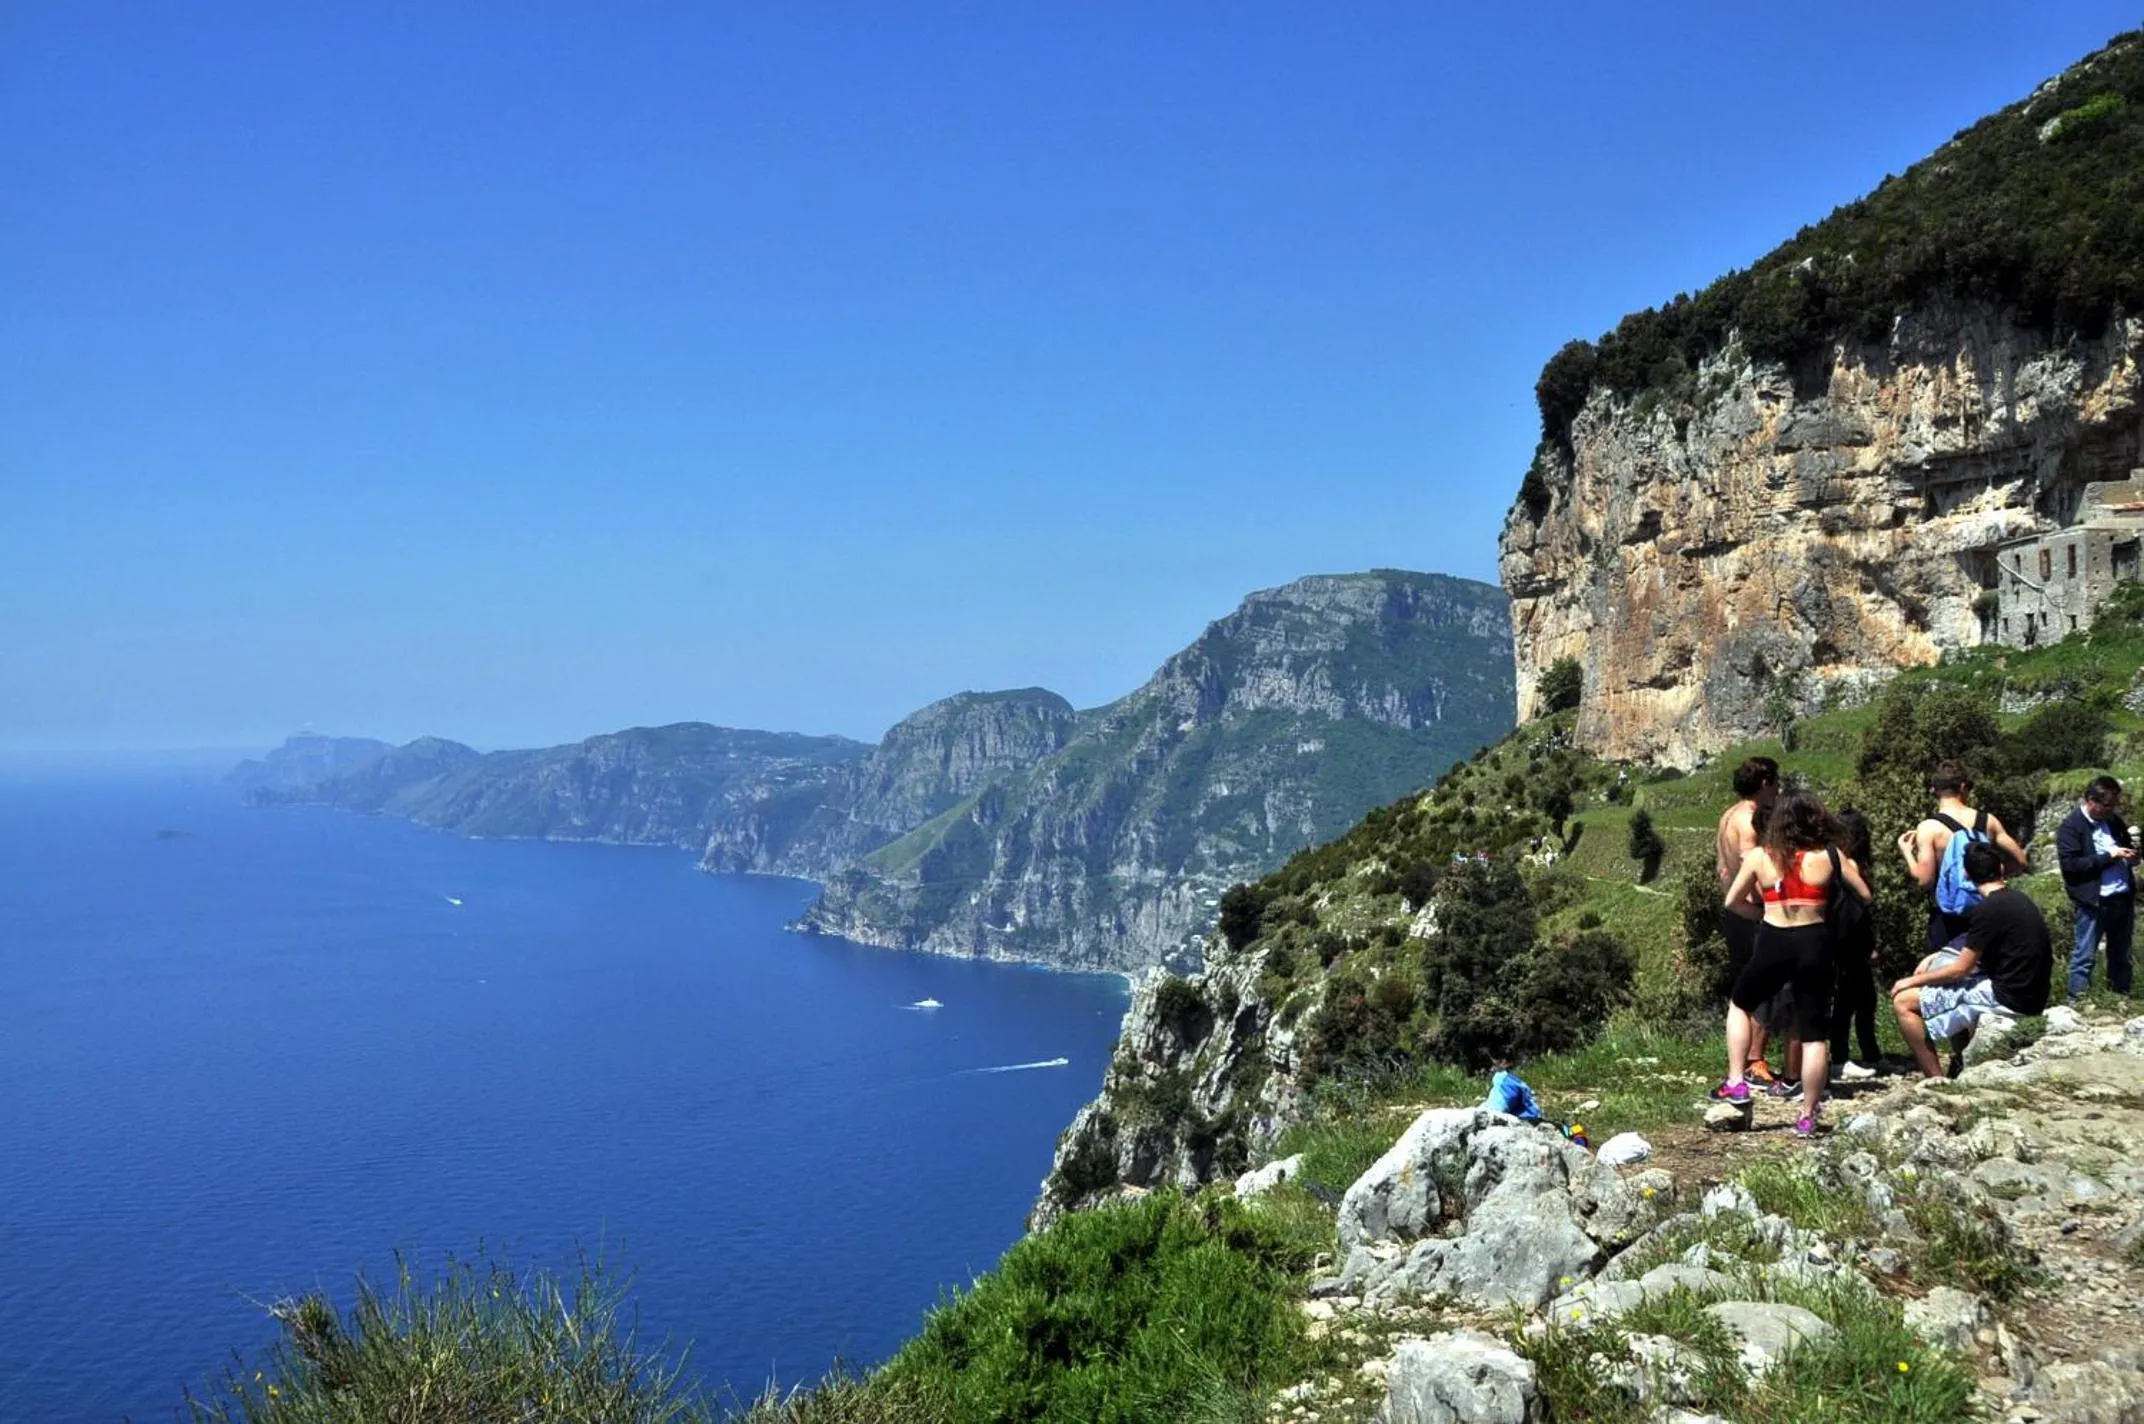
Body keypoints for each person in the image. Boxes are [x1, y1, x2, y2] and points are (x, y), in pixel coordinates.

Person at [1717, 790, 1873, 1136]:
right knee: (1813, 1034)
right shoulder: (1831, 856)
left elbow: (1732, 901)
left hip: (1774, 938)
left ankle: (1737, 1080)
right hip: (1815, 942)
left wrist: (1762, 912)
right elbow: (1864, 894)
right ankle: (1806, 1116)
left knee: (1741, 1004)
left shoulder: (1760, 856)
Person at [1890, 841, 2053, 1078]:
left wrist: (1911, 981)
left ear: (1966, 874)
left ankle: (1935, 1080)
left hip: (2010, 998)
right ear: (2000, 867)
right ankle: (1963, 1061)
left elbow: (1960, 970)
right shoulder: (2019, 900)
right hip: (2032, 992)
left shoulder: (1988, 910)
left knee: (1904, 1002)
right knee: (1954, 990)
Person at [1897, 760, 2028, 952]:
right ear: (1963, 786)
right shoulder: (1987, 821)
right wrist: (1994, 875)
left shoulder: (1929, 828)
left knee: (1946, 972)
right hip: (1986, 911)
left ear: (1934, 790)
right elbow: (2021, 860)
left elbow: (1924, 880)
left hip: (1948, 916)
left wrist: (1907, 853)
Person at [1716, 757, 1782, 1083]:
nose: (1779, 788)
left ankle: (1743, 1061)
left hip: (1732, 911)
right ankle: (1755, 1059)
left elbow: (1722, 868)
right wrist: (1772, 902)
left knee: (1745, 984)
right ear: (1766, 783)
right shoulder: (1751, 818)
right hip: (1754, 911)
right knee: (1765, 987)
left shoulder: (1727, 815)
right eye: (1776, 782)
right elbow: (1750, 866)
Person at [2055, 775, 2136, 1000]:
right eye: (2106, 805)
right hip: (2093, 901)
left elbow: (2126, 846)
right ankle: (2077, 1001)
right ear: (2091, 800)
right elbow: (2071, 865)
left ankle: (2120, 997)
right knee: (2084, 955)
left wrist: (2132, 855)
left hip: (2120, 897)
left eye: (2113, 805)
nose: (2110, 810)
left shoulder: (2113, 821)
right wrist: (2109, 856)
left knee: (2121, 953)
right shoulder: (2071, 828)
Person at [1828, 806, 1882, 1080]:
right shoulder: (1847, 863)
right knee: (1850, 1001)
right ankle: (1842, 1057)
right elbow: (1864, 899)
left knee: (1863, 1000)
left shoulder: (1836, 860)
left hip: (1849, 939)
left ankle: (1867, 1053)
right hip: (1849, 941)